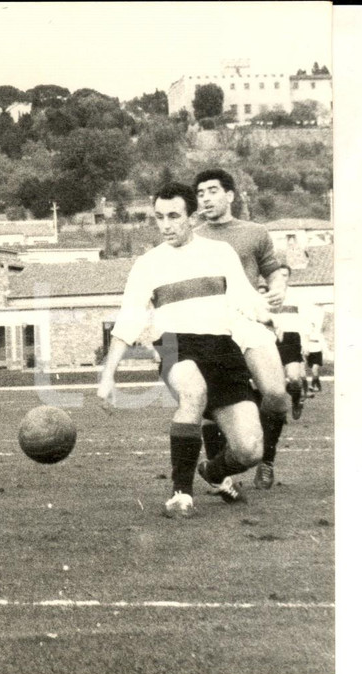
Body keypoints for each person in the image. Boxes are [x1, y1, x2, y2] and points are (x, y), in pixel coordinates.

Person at [97, 183, 265, 518]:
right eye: (159, 217)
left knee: (251, 451)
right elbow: (128, 321)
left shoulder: (220, 253)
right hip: (175, 343)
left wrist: (267, 318)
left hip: (222, 348)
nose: (165, 225)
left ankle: (213, 473)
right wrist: (107, 376)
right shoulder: (148, 264)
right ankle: (181, 494)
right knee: (193, 392)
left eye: (174, 216)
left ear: (193, 216)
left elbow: (247, 303)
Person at [193, 168, 292, 490]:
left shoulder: (255, 232)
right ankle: (222, 472)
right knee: (216, 404)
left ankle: (267, 459)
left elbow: (273, 271)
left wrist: (278, 287)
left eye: (212, 190)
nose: (205, 198)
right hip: (214, 329)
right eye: (200, 193)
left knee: (276, 395)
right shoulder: (195, 238)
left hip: (250, 321)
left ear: (230, 195)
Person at [264, 289, 306, 420]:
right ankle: (274, 414)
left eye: (285, 275)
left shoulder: (296, 295)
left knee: (294, 378)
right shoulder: (265, 295)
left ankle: (296, 400)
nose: (282, 278)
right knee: (275, 383)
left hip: (291, 338)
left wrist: (305, 342)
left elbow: (305, 321)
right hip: (271, 338)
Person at [305, 326, 325, 395]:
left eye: (313, 326)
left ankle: (312, 385)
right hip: (310, 354)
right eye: (310, 327)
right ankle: (319, 386)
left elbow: (323, 343)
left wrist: (325, 352)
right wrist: (305, 351)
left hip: (317, 352)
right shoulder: (307, 335)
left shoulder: (319, 334)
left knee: (314, 370)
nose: (311, 328)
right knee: (314, 371)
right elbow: (305, 344)